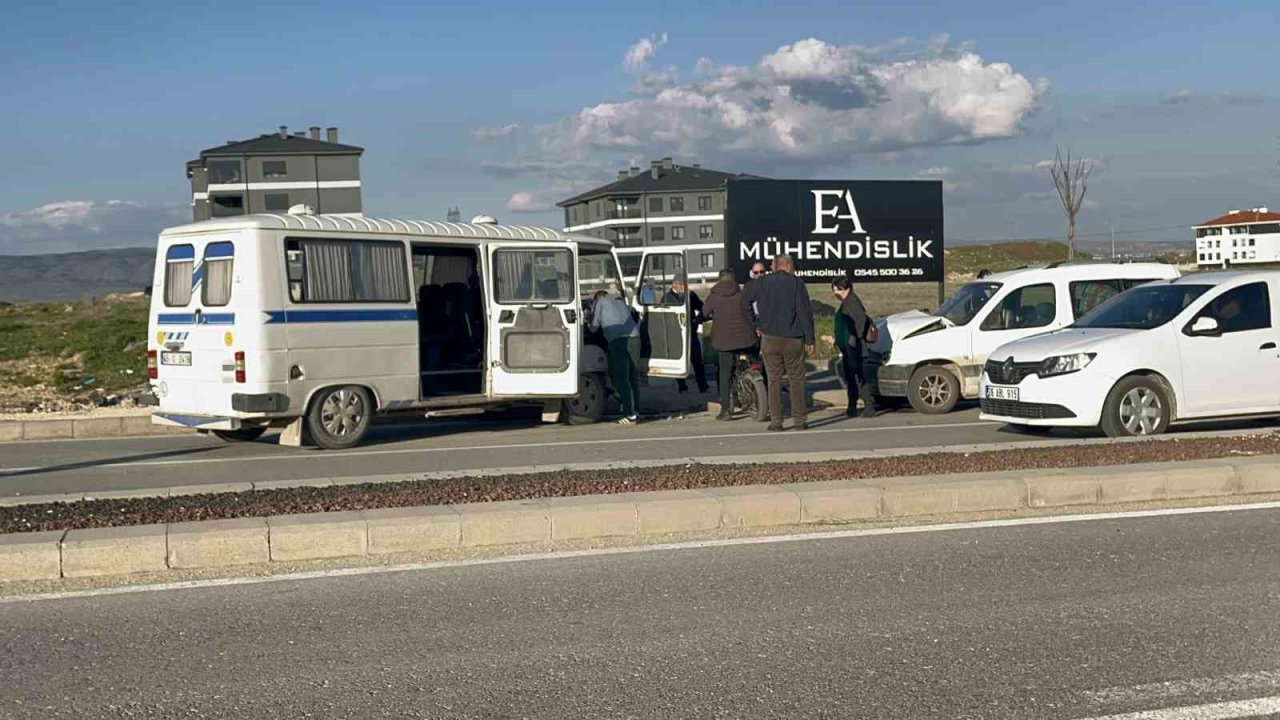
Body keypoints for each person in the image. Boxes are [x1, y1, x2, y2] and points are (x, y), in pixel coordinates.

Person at [742, 254, 815, 431]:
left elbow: (744, 302)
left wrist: (756, 324)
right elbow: (804, 312)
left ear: (775, 266)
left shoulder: (761, 282)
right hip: (793, 338)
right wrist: (810, 339)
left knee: (774, 380)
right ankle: (799, 421)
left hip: (770, 338)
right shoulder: (797, 283)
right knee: (796, 379)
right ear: (788, 265)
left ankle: (776, 422)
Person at [702, 268, 759, 421]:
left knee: (724, 374)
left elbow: (704, 313)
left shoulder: (714, 297)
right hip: (747, 340)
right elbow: (751, 312)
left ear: (719, 279)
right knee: (755, 363)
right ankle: (762, 395)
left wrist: (699, 319)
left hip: (724, 343)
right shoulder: (742, 294)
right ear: (733, 280)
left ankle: (726, 410)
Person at [589, 290, 641, 425]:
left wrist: (588, 318)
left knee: (621, 378)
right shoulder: (620, 302)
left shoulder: (599, 302)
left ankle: (629, 415)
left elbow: (593, 328)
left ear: (597, 298)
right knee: (632, 376)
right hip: (635, 338)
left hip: (617, 340)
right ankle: (636, 410)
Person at [832, 276, 876, 419]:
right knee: (851, 378)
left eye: (839, 290)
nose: (836, 294)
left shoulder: (853, 302)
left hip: (854, 347)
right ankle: (852, 406)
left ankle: (869, 405)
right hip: (847, 347)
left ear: (847, 289)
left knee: (858, 378)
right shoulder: (847, 302)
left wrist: (853, 337)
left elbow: (860, 320)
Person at [665, 275, 709, 394]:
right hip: (676, 335)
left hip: (690, 332)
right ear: (674, 284)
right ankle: (682, 386)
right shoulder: (667, 297)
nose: (683, 287)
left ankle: (703, 386)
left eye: (684, 284)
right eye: (680, 284)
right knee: (679, 361)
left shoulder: (690, 295)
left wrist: (701, 318)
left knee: (697, 360)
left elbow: (701, 307)